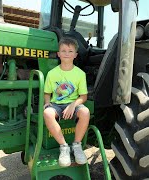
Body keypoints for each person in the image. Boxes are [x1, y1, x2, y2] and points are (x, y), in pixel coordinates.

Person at [43, 37, 90, 167]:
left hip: (73, 104)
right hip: (56, 105)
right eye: (63, 51)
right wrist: (47, 102)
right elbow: (47, 93)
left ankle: (77, 146)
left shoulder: (80, 74)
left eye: (70, 51)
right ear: (58, 54)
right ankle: (64, 147)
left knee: (85, 112)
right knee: (47, 113)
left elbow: (83, 96)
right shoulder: (52, 73)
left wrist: (72, 105)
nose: (67, 54)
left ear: (75, 55)